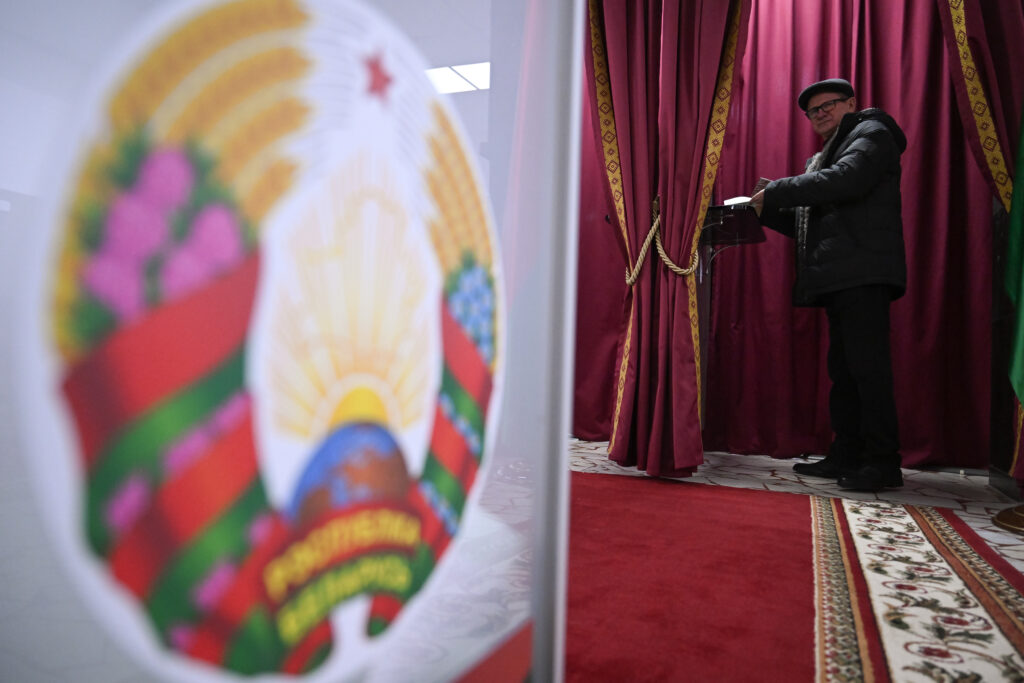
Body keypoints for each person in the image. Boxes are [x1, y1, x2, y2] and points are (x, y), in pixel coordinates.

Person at [749, 78, 907, 492]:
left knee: (868, 370)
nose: (819, 114)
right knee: (845, 372)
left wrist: (775, 191)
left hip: (864, 272)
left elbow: (846, 179)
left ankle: (883, 462)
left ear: (851, 103)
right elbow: (809, 223)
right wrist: (762, 210)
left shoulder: (872, 132)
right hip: (840, 275)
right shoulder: (824, 156)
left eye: (828, 105)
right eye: (812, 111)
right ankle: (846, 454)